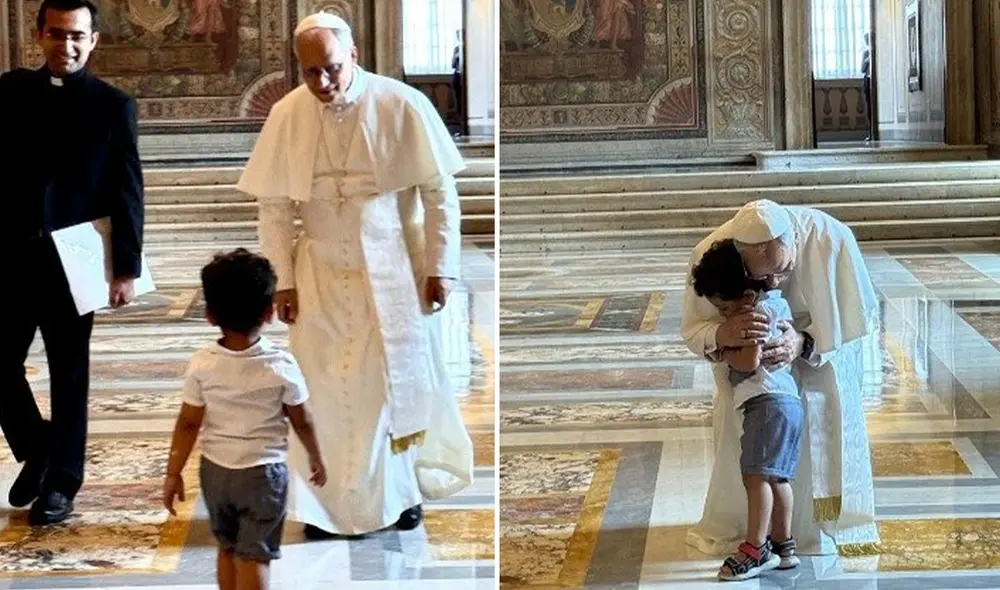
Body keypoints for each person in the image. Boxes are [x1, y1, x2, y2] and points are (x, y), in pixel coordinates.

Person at [236, 11, 475, 539]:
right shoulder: (287, 113)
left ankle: (400, 495)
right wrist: (283, 281)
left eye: (332, 69)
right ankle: (327, 506)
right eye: (310, 73)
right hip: (318, 269)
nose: (322, 83)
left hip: (392, 268)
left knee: (389, 385)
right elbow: (274, 208)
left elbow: (440, 196)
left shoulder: (401, 103)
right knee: (320, 388)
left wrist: (441, 267)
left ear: (356, 57)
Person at [0, 0, 143, 525]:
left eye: (78, 36)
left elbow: (127, 189)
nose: (68, 45)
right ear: (39, 36)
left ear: (94, 40)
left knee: (69, 374)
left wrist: (125, 267)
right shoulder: (10, 92)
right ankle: (38, 449)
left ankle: (63, 482)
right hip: (10, 257)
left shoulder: (113, 105)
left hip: (74, 260)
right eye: (57, 35)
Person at [682, 199, 881, 558]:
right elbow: (695, 330)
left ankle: (816, 526)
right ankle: (753, 530)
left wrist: (804, 342)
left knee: (816, 432)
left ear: (793, 243)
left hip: (820, 363)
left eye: (782, 270)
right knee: (752, 457)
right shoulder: (712, 255)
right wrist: (725, 333)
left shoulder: (831, 238)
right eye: (761, 277)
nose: (773, 283)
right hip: (753, 386)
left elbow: (859, 320)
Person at [162, 249, 327, 590]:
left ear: (209, 315)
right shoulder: (281, 365)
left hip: (216, 472)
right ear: (269, 312)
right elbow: (302, 420)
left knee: (227, 548)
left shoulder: (202, 364)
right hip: (263, 475)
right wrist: (315, 455)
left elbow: (188, 424)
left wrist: (173, 472)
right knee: (255, 556)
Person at [691, 239, 803, 582]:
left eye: (725, 309)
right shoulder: (775, 306)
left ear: (746, 298)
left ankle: (756, 549)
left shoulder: (753, 316)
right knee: (776, 476)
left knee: (755, 478)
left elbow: (750, 359)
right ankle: (784, 545)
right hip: (785, 403)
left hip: (765, 403)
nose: (725, 317)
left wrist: (723, 351)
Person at [861, 32, 873, 142]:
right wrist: (868, 59)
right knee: (869, 108)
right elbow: (862, 69)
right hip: (868, 80)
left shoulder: (877, 51)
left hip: (875, 81)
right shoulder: (866, 53)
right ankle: (870, 132)